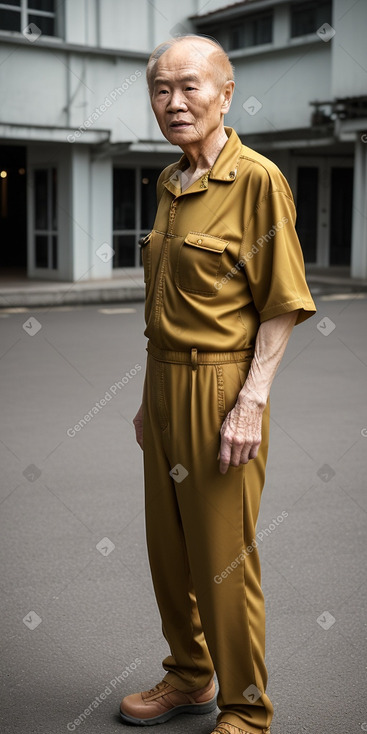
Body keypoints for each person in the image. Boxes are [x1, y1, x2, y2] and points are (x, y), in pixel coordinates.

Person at [120, 35, 316, 734]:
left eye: (189, 86)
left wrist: (249, 403)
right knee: (168, 551)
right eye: (161, 89)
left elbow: (282, 303)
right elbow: (165, 311)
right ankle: (189, 677)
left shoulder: (257, 180)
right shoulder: (169, 184)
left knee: (223, 559)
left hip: (223, 388)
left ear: (225, 94)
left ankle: (245, 709)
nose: (173, 102)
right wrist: (149, 399)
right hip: (165, 386)